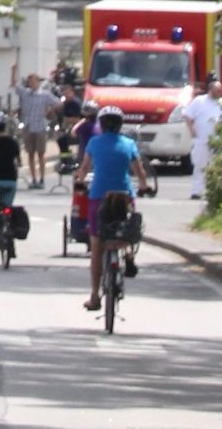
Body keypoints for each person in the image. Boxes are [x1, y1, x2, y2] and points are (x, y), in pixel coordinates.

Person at [78, 105, 151, 312]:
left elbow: (85, 168)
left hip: (99, 196)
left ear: (101, 124)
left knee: (97, 245)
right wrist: (144, 186)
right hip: (124, 195)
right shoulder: (129, 143)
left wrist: (80, 182)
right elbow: (139, 170)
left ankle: (94, 296)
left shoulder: (94, 142)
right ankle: (128, 254)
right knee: (125, 229)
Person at [180, 79, 222, 199]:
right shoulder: (199, 101)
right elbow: (187, 115)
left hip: (217, 141)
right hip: (201, 141)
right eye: (217, 90)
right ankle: (197, 191)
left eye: (221, 90)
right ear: (211, 90)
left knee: (218, 167)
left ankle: (215, 192)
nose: (220, 92)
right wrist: (191, 130)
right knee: (200, 166)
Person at [15, 74, 61, 189]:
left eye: (32, 81)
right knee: (30, 153)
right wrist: (13, 71)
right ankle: (33, 178)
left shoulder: (45, 94)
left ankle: (42, 178)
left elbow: (59, 103)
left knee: (41, 153)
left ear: (37, 82)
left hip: (40, 126)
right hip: (28, 126)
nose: (30, 83)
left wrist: (49, 110)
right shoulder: (25, 93)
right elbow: (15, 86)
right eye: (29, 81)